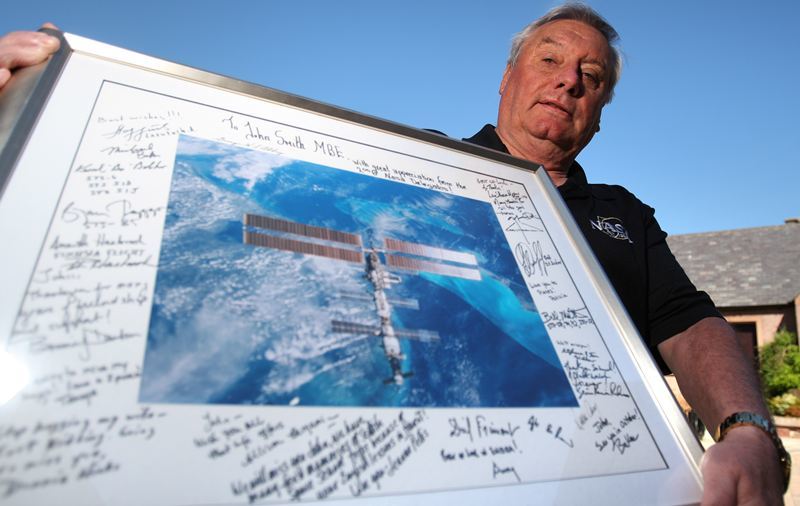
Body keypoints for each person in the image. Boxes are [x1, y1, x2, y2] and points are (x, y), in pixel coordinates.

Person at [0, 6, 787, 504]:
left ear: (601, 111)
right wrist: (47, 117)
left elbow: (691, 324)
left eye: (592, 77)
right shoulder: (415, 165)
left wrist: (748, 427)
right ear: (510, 74)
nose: (569, 81)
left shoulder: (623, 215)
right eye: (551, 58)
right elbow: (249, 206)